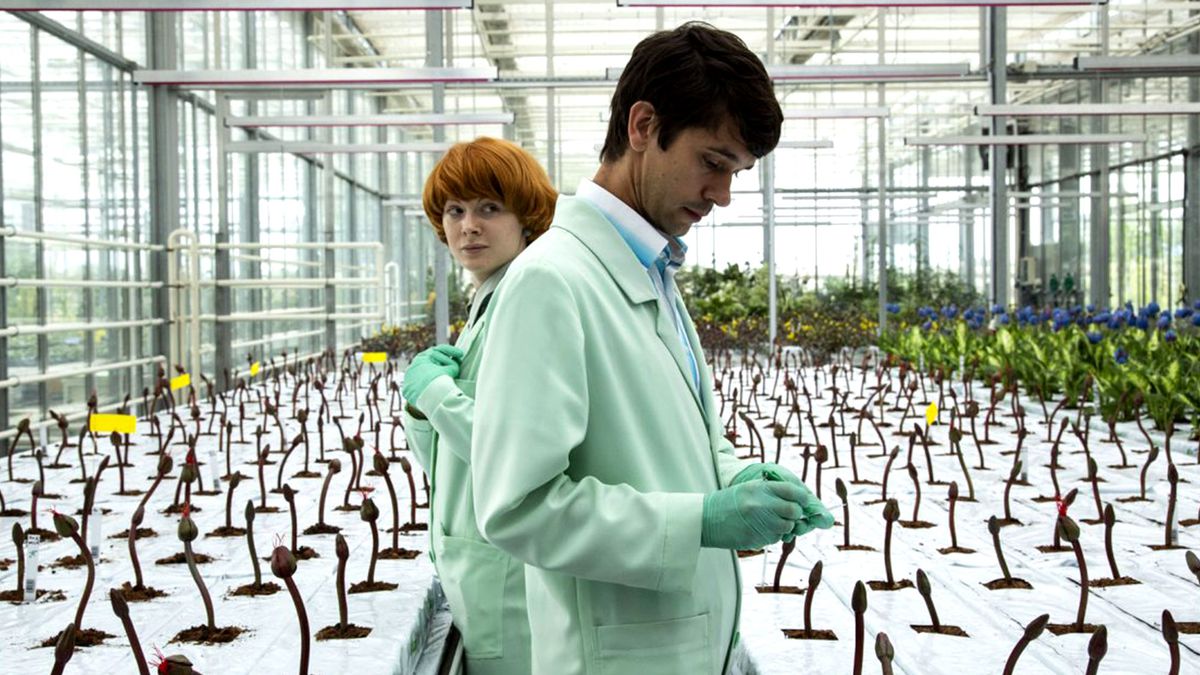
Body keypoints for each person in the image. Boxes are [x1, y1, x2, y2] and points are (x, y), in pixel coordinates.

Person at [470, 23, 833, 675]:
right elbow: (516, 507)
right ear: (643, 126)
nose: (723, 194)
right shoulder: (551, 282)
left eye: (736, 172)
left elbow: (676, 441)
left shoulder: (651, 270)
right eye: (714, 162)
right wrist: (702, 519)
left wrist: (735, 475)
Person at [401, 136, 557, 675]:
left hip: (510, 583)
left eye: (490, 208)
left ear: (527, 218)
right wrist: (422, 412)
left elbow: (512, 450)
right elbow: (451, 456)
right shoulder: (488, 298)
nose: (469, 225)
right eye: (455, 210)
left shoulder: (525, 301)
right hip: (481, 572)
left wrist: (435, 395)